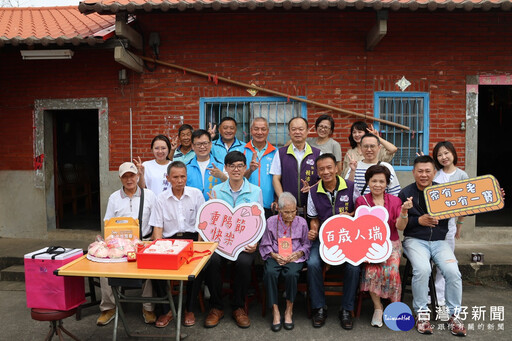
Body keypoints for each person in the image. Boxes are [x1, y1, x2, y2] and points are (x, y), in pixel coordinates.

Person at [399, 155, 466, 336]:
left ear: (434, 173)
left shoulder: (444, 192)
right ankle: (422, 313)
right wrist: (417, 220)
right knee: (422, 270)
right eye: (420, 171)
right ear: (413, 172)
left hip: (439, 241)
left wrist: (494, 194)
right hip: (414, 241)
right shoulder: (405, 193)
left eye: (428, 171)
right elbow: (401, 225)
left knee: (453, 271)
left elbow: (468, 202)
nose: (424, 175)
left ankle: (455, 315)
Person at [204, 151, 263, 329]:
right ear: (226, 168)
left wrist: (256, 243)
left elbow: (258, 222)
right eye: (232, 166)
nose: (236, 169)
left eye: (240, 166)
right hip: (221, 244)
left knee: (244, 263)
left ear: (245, 168)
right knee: (211, 261)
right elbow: (212, 221)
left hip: (244, 244)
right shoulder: (216, 190)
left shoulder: (255, 191)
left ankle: (238, 307)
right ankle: (216, 306)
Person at [98, 162, 157, 326]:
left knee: (149, 268)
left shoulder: (149, 195)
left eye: (132, 175)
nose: (129, 179)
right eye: (125, 176)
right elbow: (107, 223)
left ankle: (148, 307)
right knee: (104, 270)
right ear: (120, 178)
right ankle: (108, 307)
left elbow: (157, 220)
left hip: (144, 242)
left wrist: (152, 240)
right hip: (120, 245)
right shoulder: (114, 198)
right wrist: (111, 245)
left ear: (138, 176)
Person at [149, 161, 206, 328]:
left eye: (183, 176)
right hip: (169, 241)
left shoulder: (196, 194)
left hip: (192, 239)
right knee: (155, 267)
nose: (180, 180)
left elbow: (202, 225)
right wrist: (160, 250)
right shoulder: (161, 199)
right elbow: (157, 228)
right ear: (168, 178)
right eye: (175, 177)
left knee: (198, 267)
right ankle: (166, 310)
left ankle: (189, 309)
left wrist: (200, 247)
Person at [355, 165, 412, 327]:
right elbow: (359, 226)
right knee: (371, 271)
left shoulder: (395, 201)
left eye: (382, 181)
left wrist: (404, 212)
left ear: (387, 183)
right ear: (368, 182)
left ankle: (394, 307)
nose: (377, 184)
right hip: (369, 244)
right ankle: (378, 307)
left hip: (392, 242)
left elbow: (400, 227)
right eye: (374, 181)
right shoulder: (361, 201)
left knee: (392, 271)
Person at [306, 153, 359, 329]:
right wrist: (314, 229)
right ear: (317, 171)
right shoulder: (313, 192)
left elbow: (360, 212)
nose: (326, 171)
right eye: (322, 169)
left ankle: (346, 309)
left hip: (348, 238)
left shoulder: (351, 187)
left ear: (337, 168)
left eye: (330, 167)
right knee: (313, 263)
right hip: (324, 238)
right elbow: (313, 217)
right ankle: (319, 307)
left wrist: (351, 215)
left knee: (353, 266)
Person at [259, 192, 311, 332]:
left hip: (295, 256)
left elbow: (306, 244)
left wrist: (297, 254)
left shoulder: (302, 222)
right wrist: (275, 255)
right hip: (276, 255)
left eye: (293, 211)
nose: (291, 215)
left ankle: (289, 309)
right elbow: (265, 243)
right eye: (286, 212)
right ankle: (275, 310)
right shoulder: (271, 221)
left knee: (292, 274)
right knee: (270, 272)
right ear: (279, 210)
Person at [432, 141, 469, 307]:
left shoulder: (462, 175)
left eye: (446, 153)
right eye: (439, 155)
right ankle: (429, 293)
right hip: (432, 224)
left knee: (445, 262)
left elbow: (465, 204)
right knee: (429, 261)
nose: (443, 157)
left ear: (453, 153)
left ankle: (440, 296)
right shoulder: (435, 174)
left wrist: (459, 226)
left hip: (450, 225)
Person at [271, 116, 321, 215]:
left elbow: (323, 178)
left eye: (301, 129)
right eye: (293, 129)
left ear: (307, 131)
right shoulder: (281, 153)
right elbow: (276, 178)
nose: (297, 132)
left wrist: (312, 188)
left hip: (311, 207)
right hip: (287, 210)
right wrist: (283, 200)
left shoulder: (317, 153)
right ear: (289, 132)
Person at [244, 117, 277, 219]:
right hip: (246, 205)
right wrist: (250, 170)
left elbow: (280, 179)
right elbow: (236, 179)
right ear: (251, 130)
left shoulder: (276, 153)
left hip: (269, 206)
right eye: (256, 129)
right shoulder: (242, 151)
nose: (259, 132)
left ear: (268, 131)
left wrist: (277, 199)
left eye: (263, 129)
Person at [186, 129, 227, 201]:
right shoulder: (186, 167)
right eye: (198, 144)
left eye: (205, 143)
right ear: (192, 146)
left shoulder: (222, 165)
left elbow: (233, 186)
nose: (202, 147)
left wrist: (222, 176)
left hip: (216, 208)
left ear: (211, 144)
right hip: (193, 209)